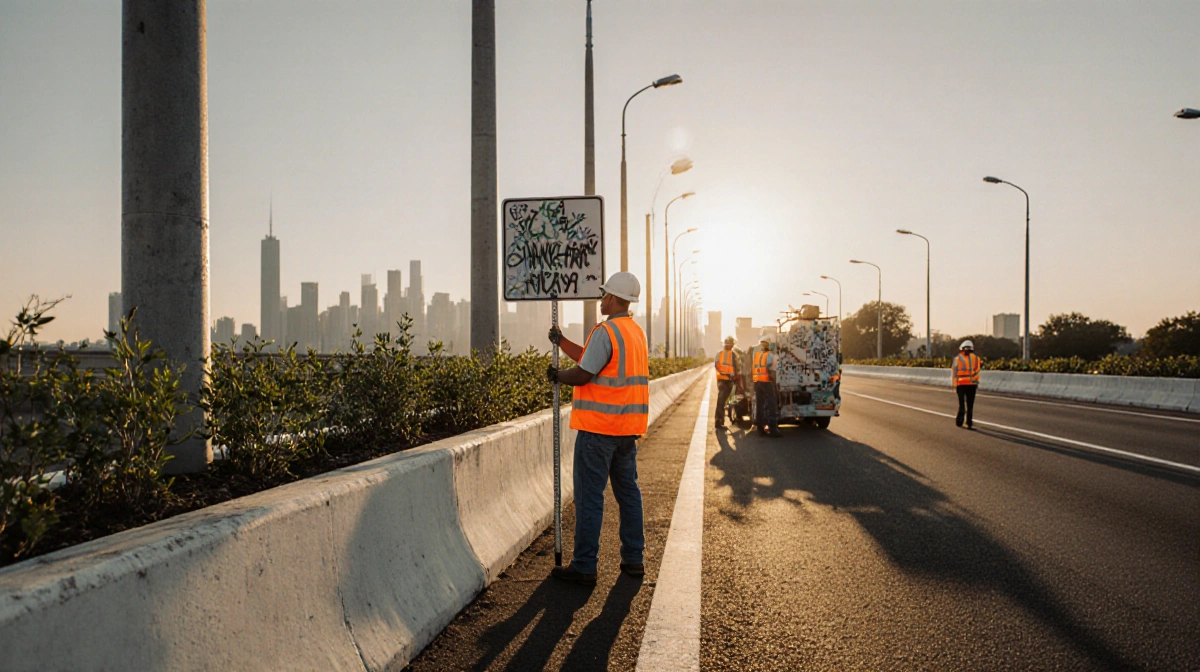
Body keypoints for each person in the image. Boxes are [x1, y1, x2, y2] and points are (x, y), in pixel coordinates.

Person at [546, 271, 649, 585]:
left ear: (614, 299)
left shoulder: (606, 331)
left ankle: (584, 566)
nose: (601, 300)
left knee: (590, 498)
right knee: (628, 494)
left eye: (605, 295)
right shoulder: (635, 332)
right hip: (626, 430)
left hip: (599, 430)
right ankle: (634, 559)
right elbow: (590, 359)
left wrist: (557, 376)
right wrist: (562, 342)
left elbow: (583, 374)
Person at [752, 337, 782, 437]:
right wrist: (775, 383)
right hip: (767, 382)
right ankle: (773, 430)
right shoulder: (770, 355)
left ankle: (760, 429)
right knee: (771, 405)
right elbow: (772, 370)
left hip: (757, 382)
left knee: (760, 405)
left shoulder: (757, 355)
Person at [714, 336, 743, 430]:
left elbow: (716, 365)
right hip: (728, 380)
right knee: (729, 398)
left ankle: (719, 420)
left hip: (722, 379)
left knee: (721, 400)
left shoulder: (719, 353)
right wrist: (733, 375)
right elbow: (738, 367)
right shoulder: (734, 354)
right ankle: (721, 420)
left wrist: (724, 373)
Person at [952, 340, 982, 429]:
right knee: (968, 405)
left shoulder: (958, 359)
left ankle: (962, 422)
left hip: (963, 385)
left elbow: (954, 372)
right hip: (969, 385)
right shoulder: (976, 359)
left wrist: (955, 384)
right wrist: (976, 383)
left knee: (964, 405)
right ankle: (966, 422)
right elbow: (977, 372)